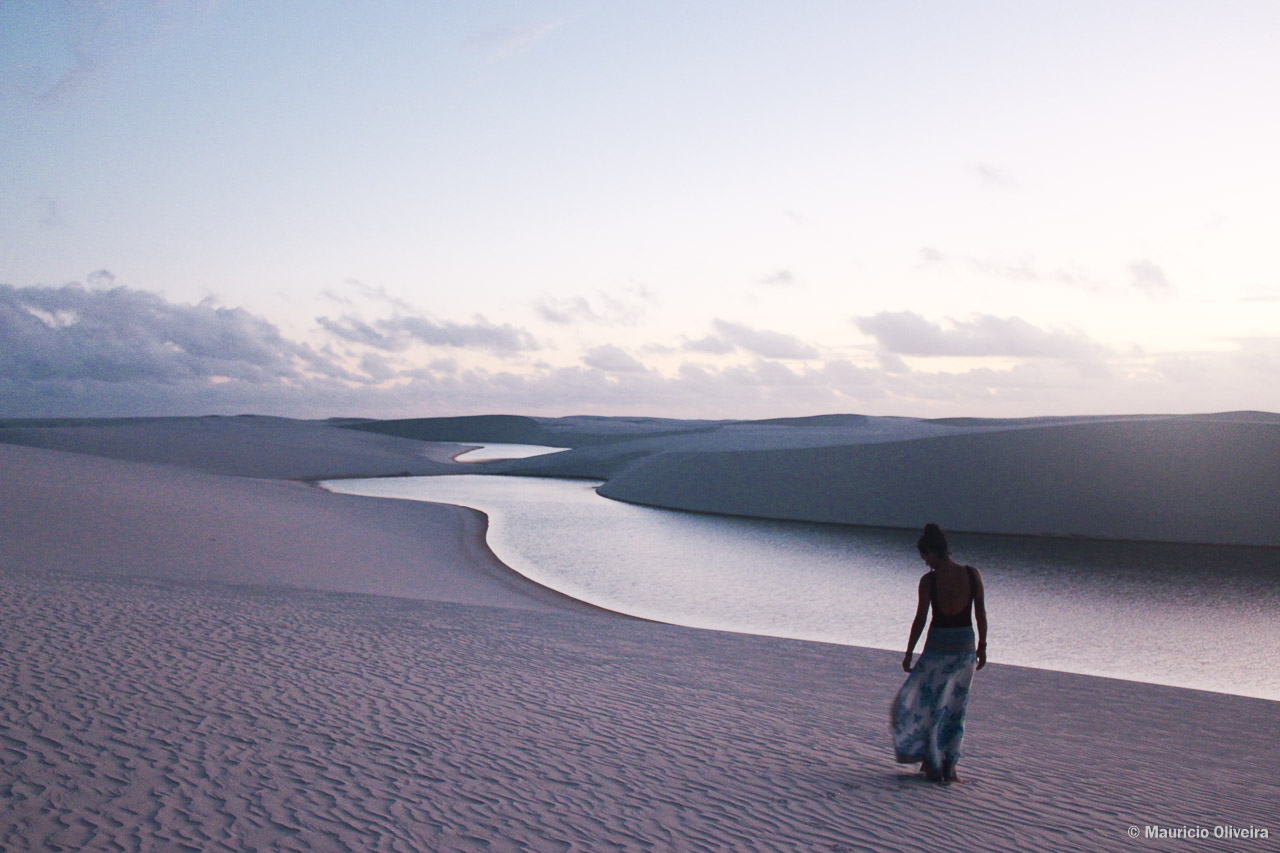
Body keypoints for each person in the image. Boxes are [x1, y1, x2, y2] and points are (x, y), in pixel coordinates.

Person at [891, 523, 987, 783]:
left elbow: (920, 618)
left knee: (927, 704)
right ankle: (947, 766)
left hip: (938, 649)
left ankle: (934, 763)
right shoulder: (972, 574)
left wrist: (909, 651)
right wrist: (982, 647)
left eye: (925, 558)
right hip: (965, 649)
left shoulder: (929, 581)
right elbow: (980, 614)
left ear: (933, 552)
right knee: (955, 708)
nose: (925, 563)